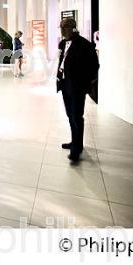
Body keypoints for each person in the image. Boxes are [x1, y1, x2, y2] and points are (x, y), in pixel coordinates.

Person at [57, 18, 99, 162]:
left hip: (77, 88)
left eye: (65, 27)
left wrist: (83, 83)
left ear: (73, 28)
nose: (62, 31)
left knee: (76, 117)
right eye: (61, 27)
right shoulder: (62, 43)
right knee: (70, 116)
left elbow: (94, 67)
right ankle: (75, 142)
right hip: (65, 85)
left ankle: (77, 149)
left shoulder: (84, 45)